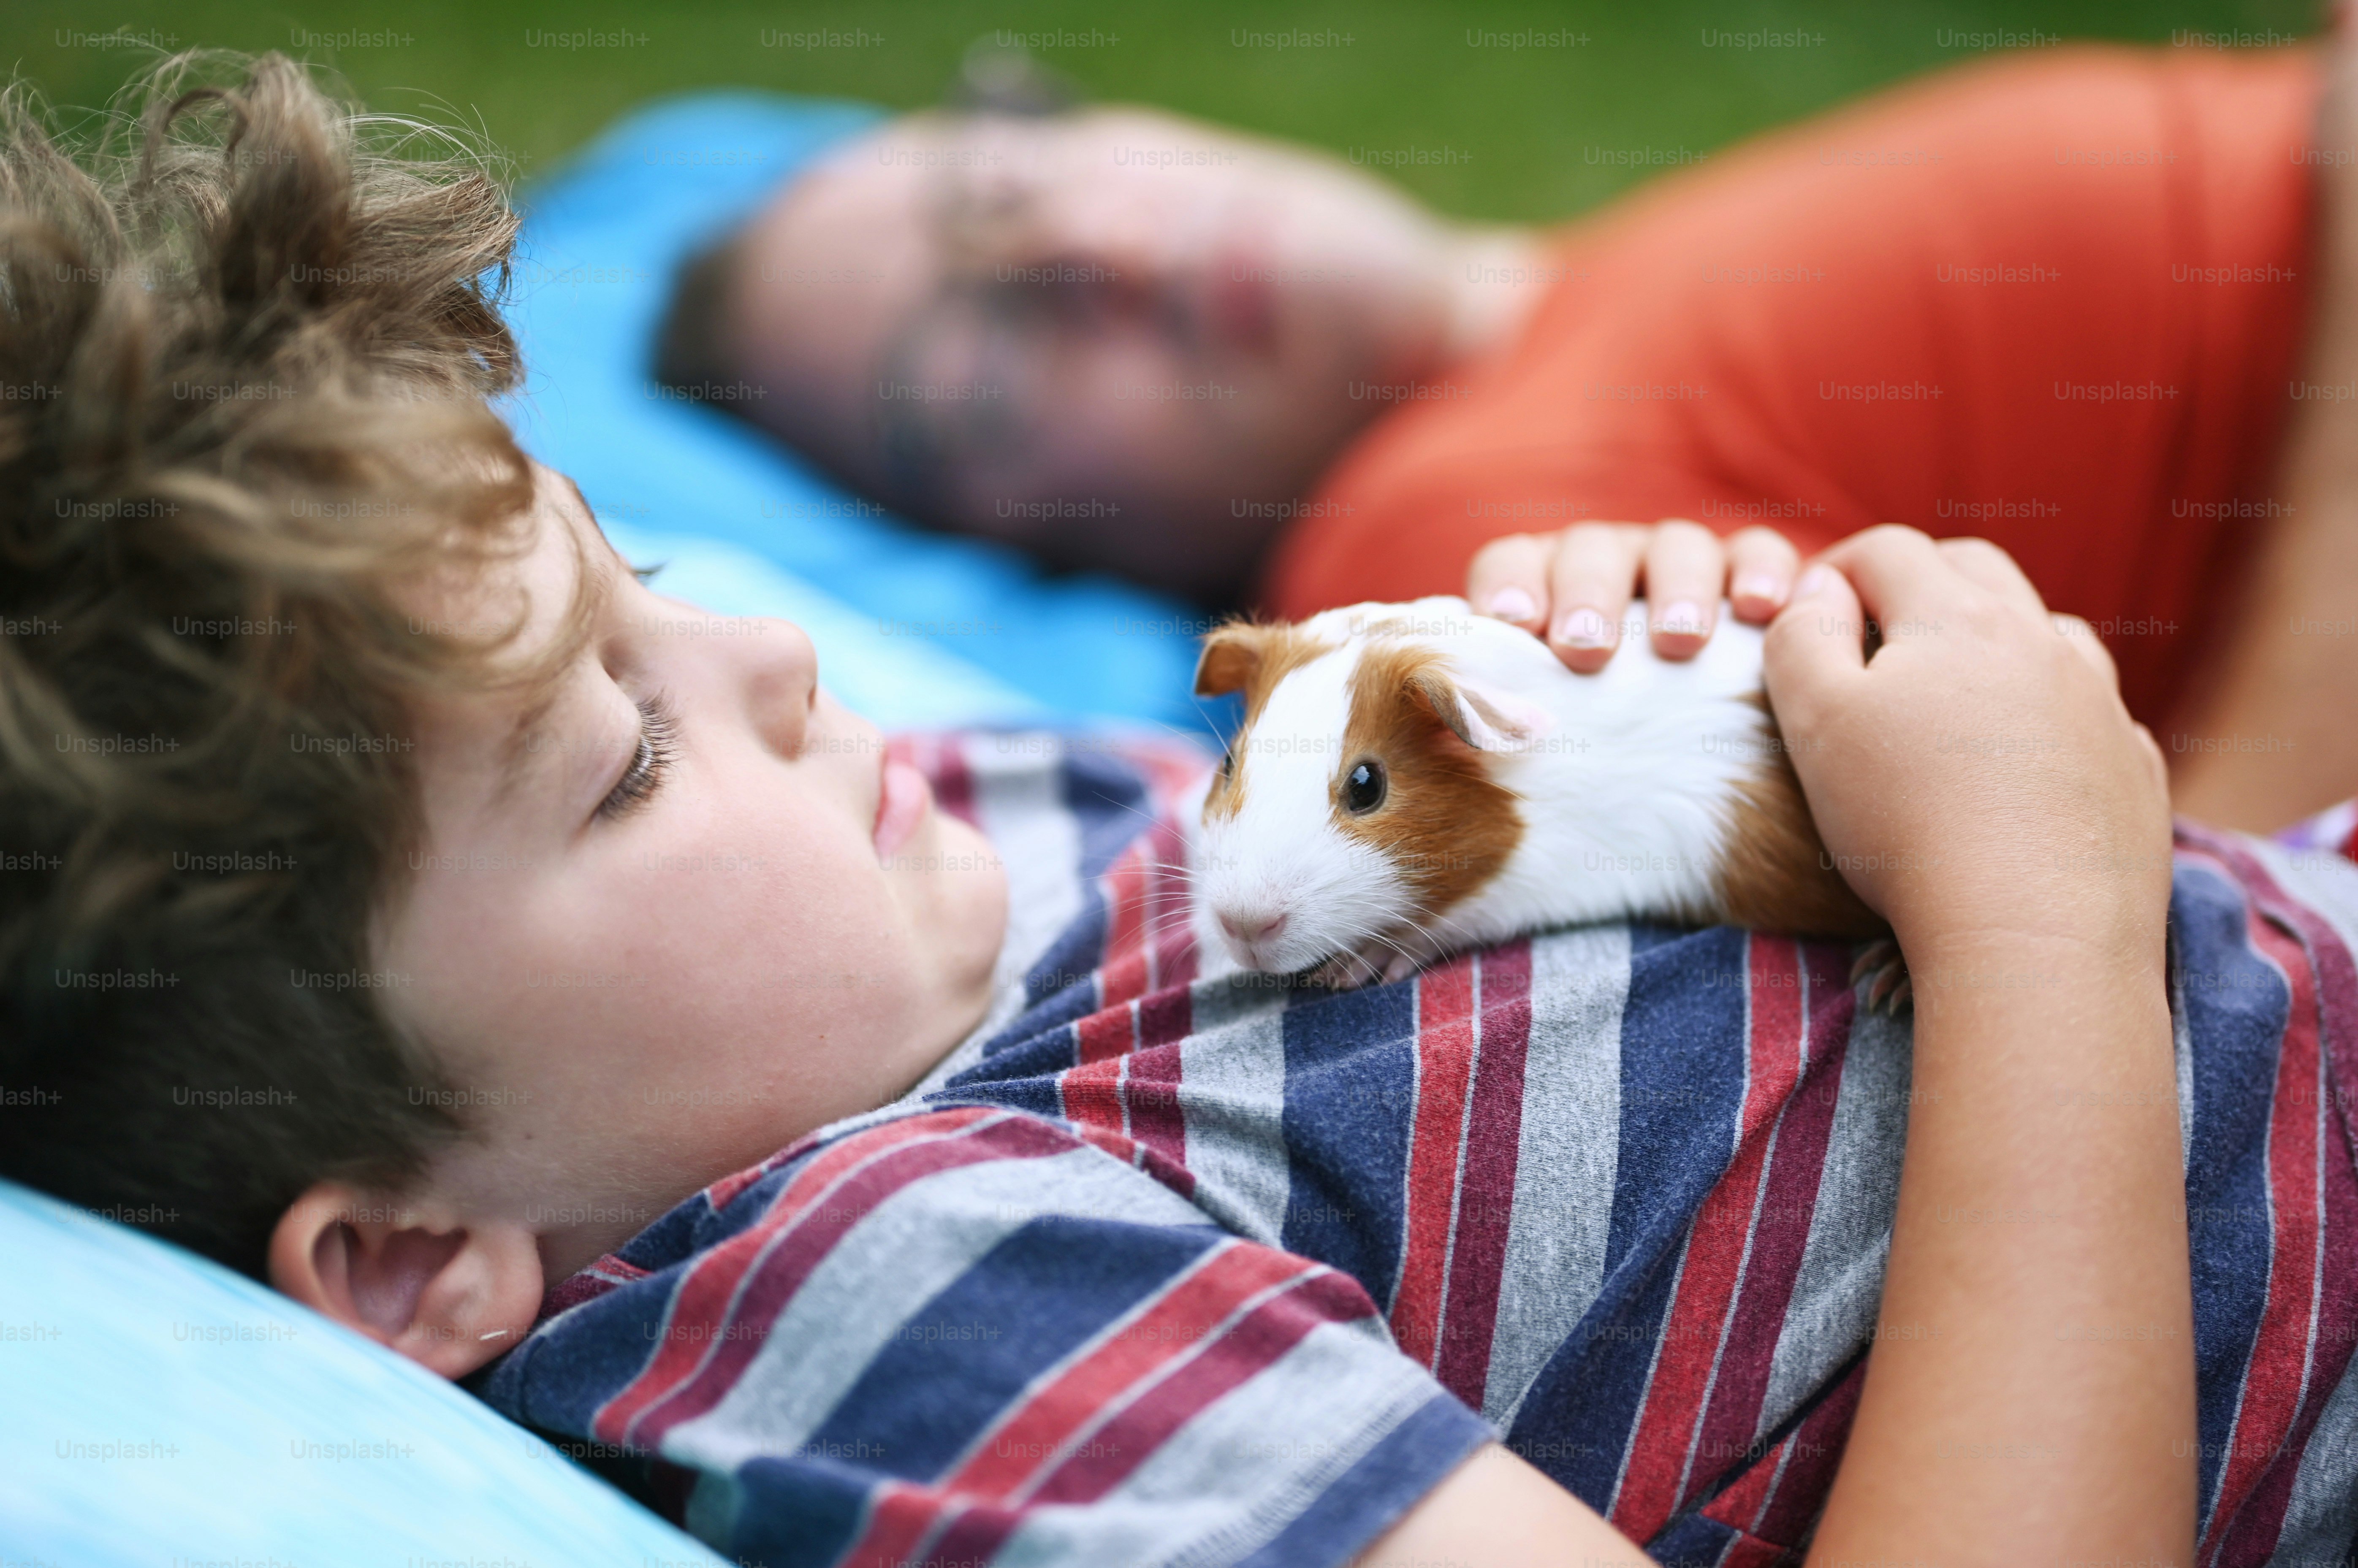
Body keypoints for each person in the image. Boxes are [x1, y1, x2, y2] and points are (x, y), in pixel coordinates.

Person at [5, 52, 2354, 1568]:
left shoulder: (912, 895)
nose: (775, 661)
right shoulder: (888, 1293)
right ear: (412, 1264)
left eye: (662, 581)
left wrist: (1628, 713)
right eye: (622, 757)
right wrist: (2040, 920)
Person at [662, 35, 2358, 835]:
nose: (1092, 258)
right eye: (982, 375)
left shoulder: (1569, 308)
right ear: (1027, 542)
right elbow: (2160, 920)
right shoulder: (1451, 547)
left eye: (1009, 187)